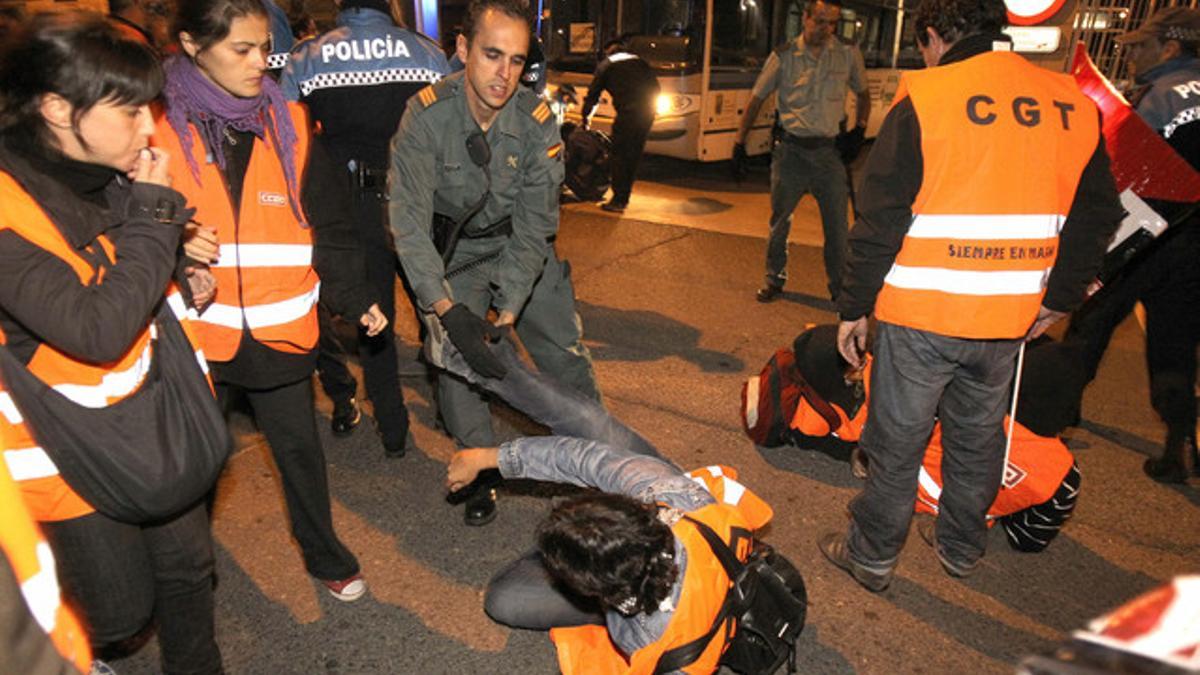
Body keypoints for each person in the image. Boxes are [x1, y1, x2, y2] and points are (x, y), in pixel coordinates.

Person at [820, 0, 1124, 592]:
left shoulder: (927, 100)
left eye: (923, 45)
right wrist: (1058, 300)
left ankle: (872, 556)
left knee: (895, 443)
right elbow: (1097, 215)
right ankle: (961, 546)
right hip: (1009, 320)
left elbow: (878, 220)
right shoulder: (1070, 102)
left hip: (922, 314)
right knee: (978, 435)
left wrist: (853, 308)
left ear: (934, 37)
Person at [0, 13, 223, 671]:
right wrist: (157, 217)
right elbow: (96, 329)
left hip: (154, 418)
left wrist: (183, 261)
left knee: (189, 568)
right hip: (65, 452)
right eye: (128, 111)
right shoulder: (8, 208)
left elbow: (129, 257)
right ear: (57, 109)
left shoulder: (116, 170)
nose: (149, 128)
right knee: (119, 613)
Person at [157, 0, 388, 601]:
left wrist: (354, 294)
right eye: (242, 49)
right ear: (191, 44)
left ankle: (325, 556)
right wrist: (175, 247)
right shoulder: (154, 125)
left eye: (265, 47)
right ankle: (186, 569)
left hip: (280, 331)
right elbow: (120, 224)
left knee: (300, 456)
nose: (261, 61)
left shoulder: (289, 119)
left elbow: (330, 223)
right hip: (197, 338)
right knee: (193, 468)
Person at [388, 0, 601, 526]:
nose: (504, 74)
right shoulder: (425, 116)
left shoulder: (536, 121)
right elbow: (407, 221)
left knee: (565, 354)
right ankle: (479, 470)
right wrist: (445, 309)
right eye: (491, 55)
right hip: (457, 254)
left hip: (519, 249)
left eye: (516, 60)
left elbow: (535, 225)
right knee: (457, 367)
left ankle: (597, 463)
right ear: (462, 50)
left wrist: (506, 310)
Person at [443, 347, 774, 673]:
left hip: (669, 603)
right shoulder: (673, 496)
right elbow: (586, 458)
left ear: (594, 592)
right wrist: (490, 459)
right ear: (636, 512)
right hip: (682, 556)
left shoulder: (649, 640)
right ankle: (474, 353)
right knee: (591, 429)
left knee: (504, 599)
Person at [283, 0, 449, 458]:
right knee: (435, 308)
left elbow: (286, 134)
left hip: (349, 203)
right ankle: (452, 407)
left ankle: (393, 429)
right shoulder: (427, 53)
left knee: (373, 315)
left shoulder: (308, 56)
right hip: (417, 198)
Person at [781, 326, 1081, 553]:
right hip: (1031, 483)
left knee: (900, 482)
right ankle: (962, 538)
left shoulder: (946, 415)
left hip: (949, 490)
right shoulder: (1054, 463)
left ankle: (869, 555)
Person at [1063, 7, 1200, 484]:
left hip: (1144, 236)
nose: (1132, 57)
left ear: (1170, 48)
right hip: (1194, 248)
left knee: (1089, 325)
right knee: (1174, 345)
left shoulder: (1159, 98)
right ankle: (1181, 443)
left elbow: (1124, 173)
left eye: (1140, 48)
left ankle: (1052, 422)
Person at [734, 0, 870, 303]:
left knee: (837, 229)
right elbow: (757, 98)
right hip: (790, 152)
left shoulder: (847, 53)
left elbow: (863, 93)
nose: (826, 29)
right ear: (804, 18)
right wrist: (739, 143)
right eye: (820, 21)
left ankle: (839, 289)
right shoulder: (784, 56)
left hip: (827, 154)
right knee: (780, 222)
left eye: (832, 23)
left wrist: (859, 129)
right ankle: (774, 279)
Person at [579, 37, 659, 213]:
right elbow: (656, 87)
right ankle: (625, 196)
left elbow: (593, 95)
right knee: (633, 156)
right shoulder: (640, 62)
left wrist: (586, 118)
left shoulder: (607, 64)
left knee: (620, 156)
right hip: (647, 114)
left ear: (609, 51)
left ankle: (618, 200)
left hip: (629, 113)